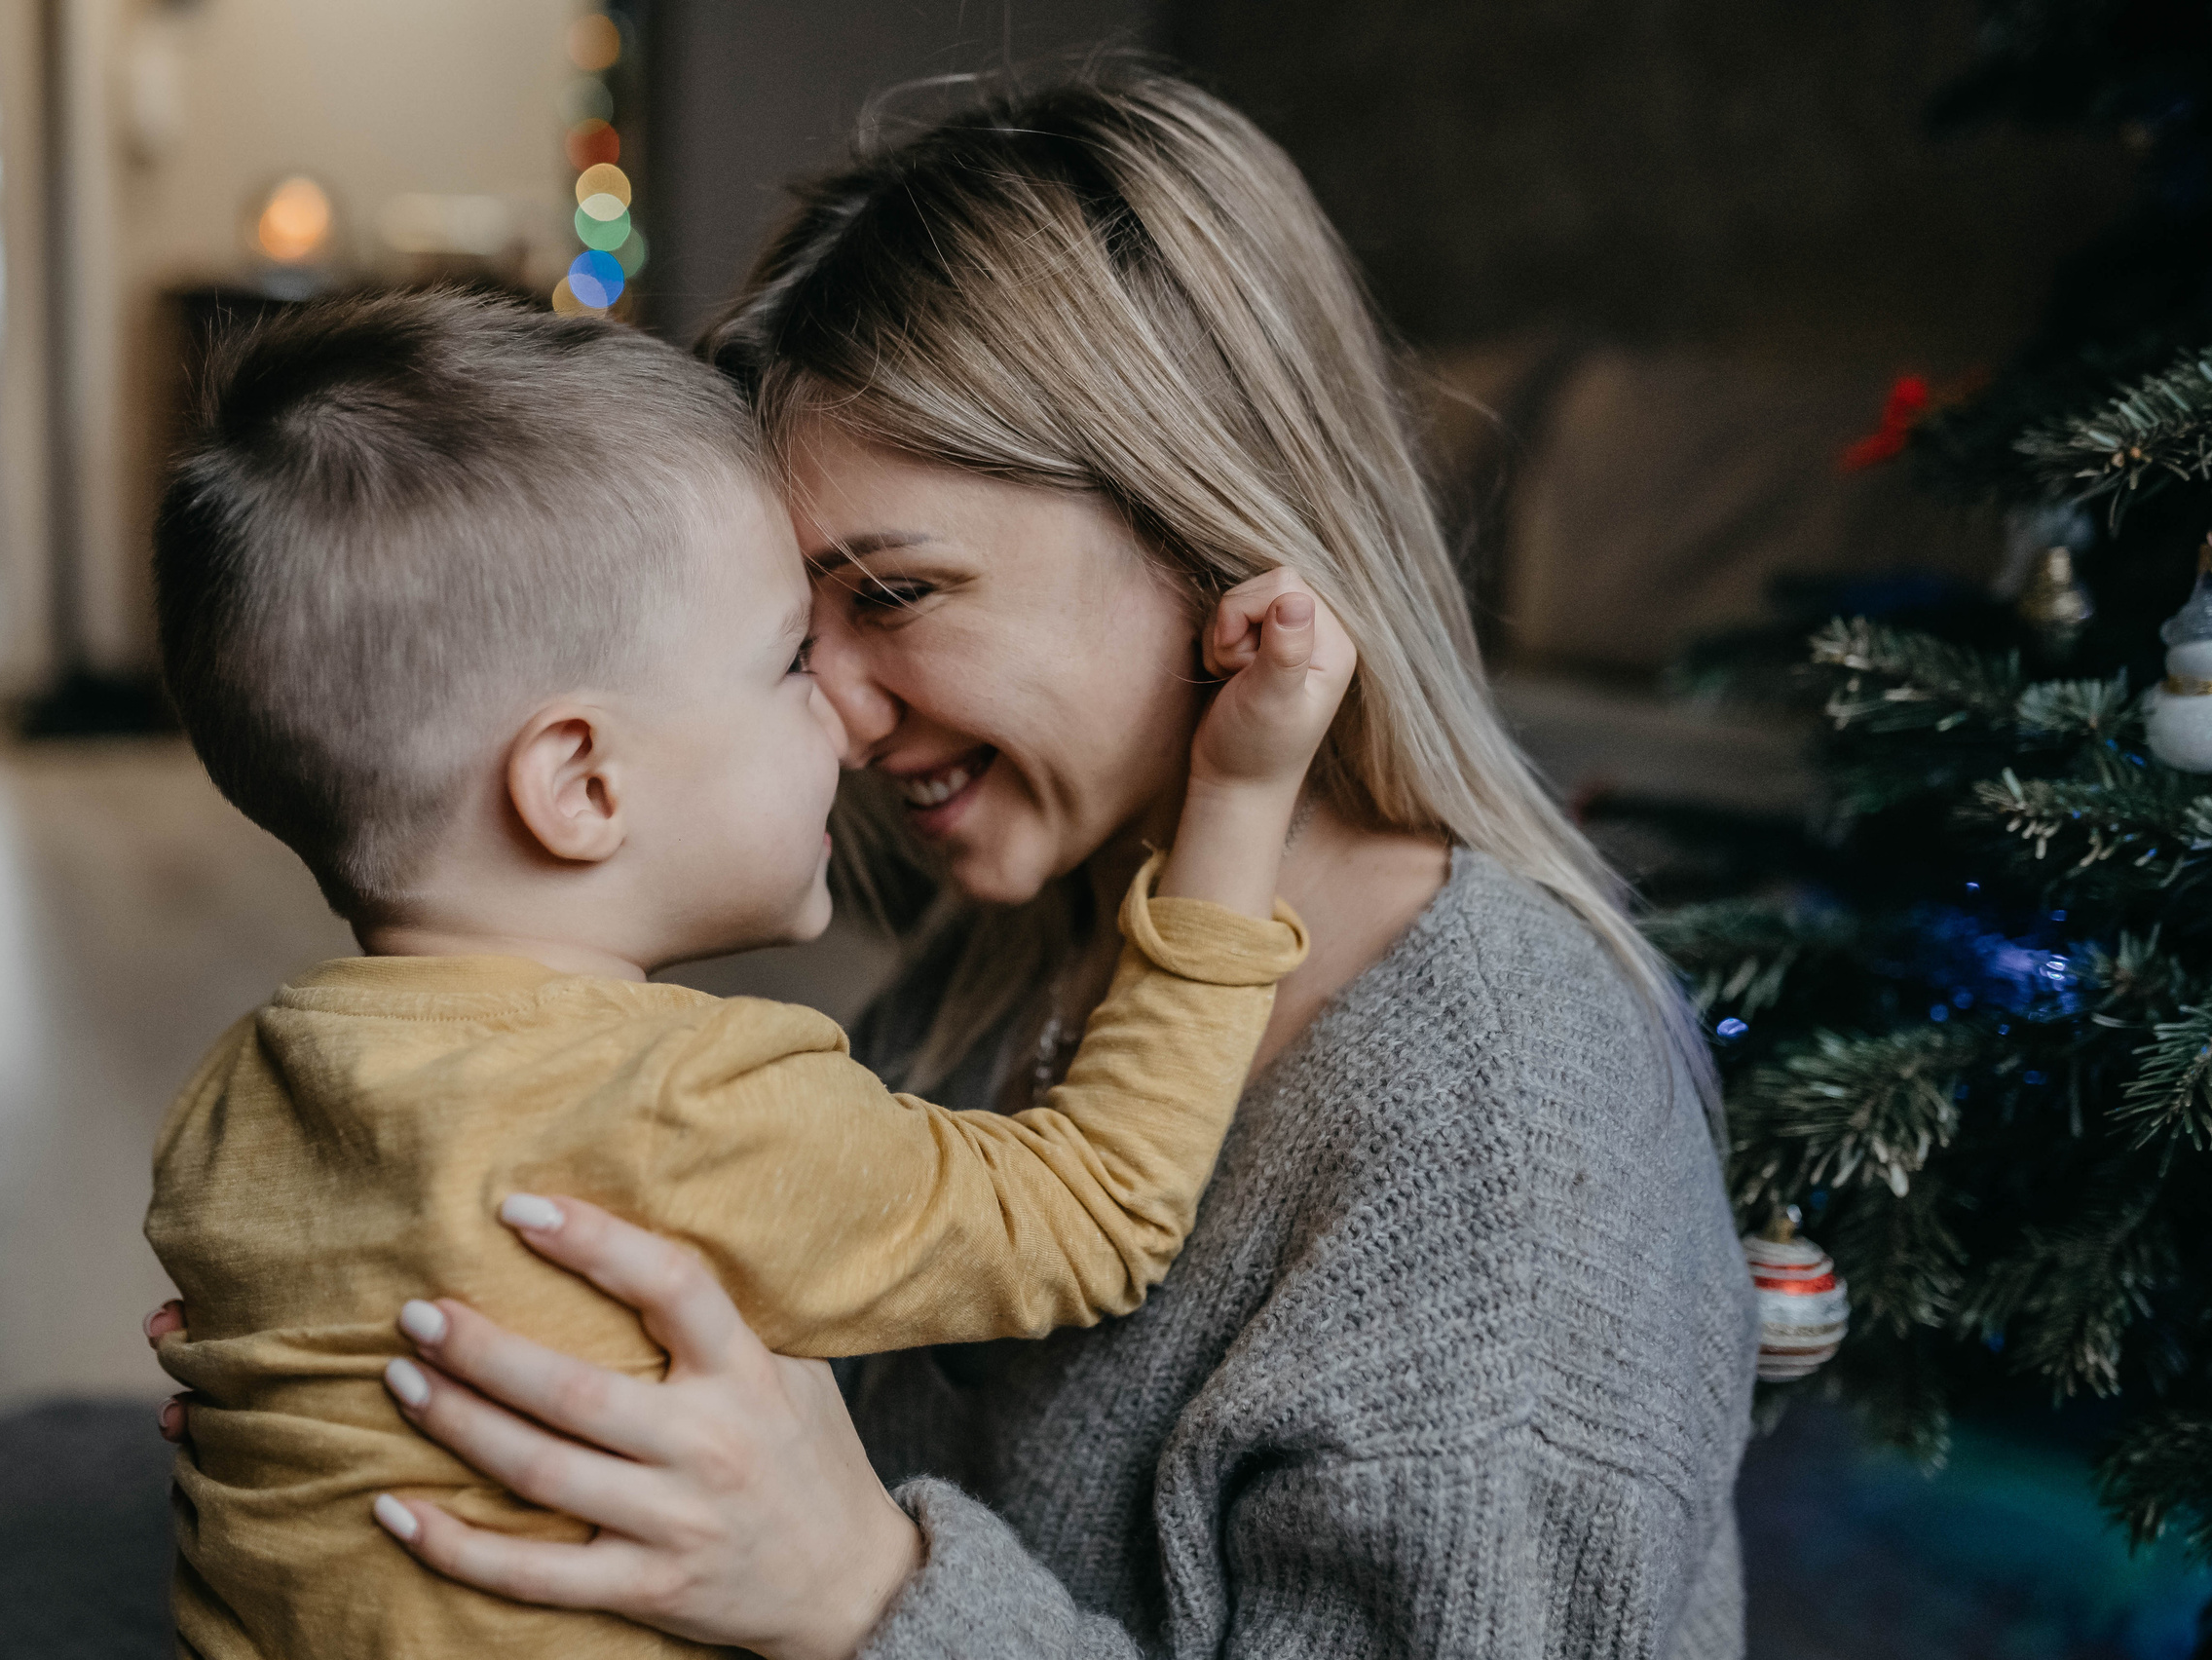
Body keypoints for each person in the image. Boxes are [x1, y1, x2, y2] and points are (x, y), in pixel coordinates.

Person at [177, 67, 1761, 1660]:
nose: (841, 716)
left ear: (1206, 527)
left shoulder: (1503, 1127)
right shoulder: (1013, 960)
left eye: (898, 595)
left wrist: (865, 1593)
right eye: (798, 631)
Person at [142, 286, 1358, 1659]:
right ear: (583, 783)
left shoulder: (229, 1107)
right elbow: (1100, 1212)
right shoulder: (692, 1100)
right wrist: (1241, 801)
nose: (842, 711)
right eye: (789, 657)